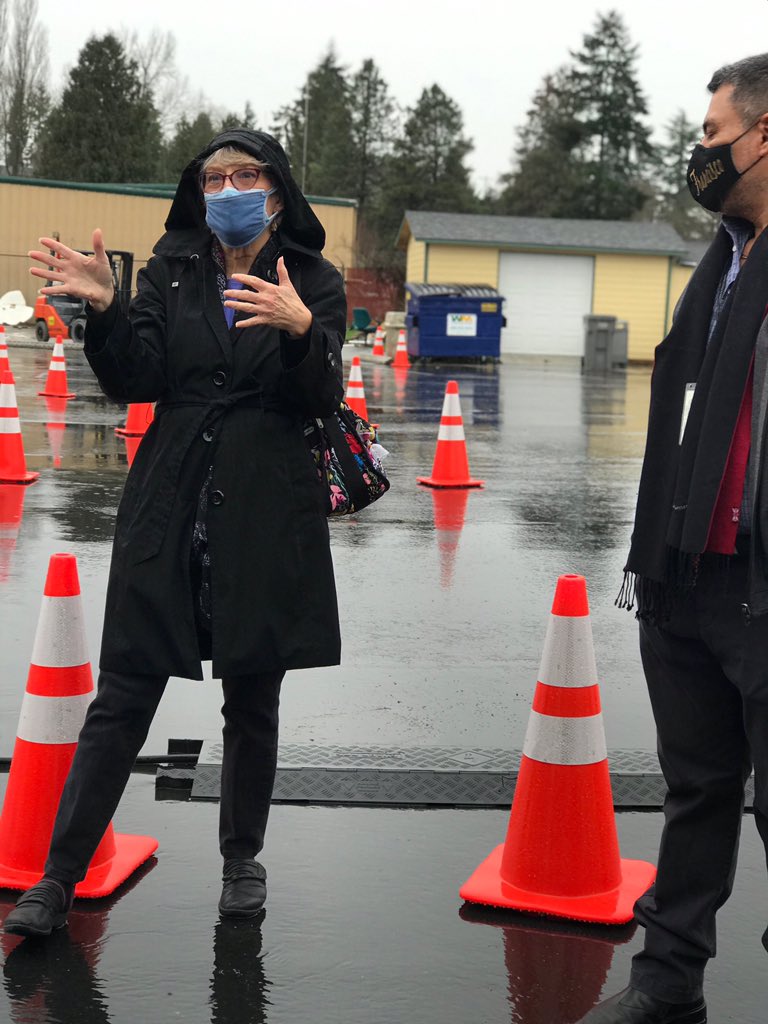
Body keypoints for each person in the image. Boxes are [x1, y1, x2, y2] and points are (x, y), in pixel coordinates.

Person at [3, 129, 346, 937]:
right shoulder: (169, 271)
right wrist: (109, 308)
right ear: (197, 191)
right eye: (214, 176)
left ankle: (241, 862)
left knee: (253, 694)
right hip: (172, 498)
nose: (228, 187)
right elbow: (138, 378)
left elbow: (321, 396)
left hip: (265, 502)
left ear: (276, 187)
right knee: (124, 691)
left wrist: (302, 331)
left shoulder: (315, 279)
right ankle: (59, 876)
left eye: (246, 173)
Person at [578, 54, 768, 1024]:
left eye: (711, 136)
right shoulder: (725, 259)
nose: (700, 155)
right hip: (690, 570)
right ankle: (668, 976)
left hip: (764, 582)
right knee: (697, 789)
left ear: (762, 136)